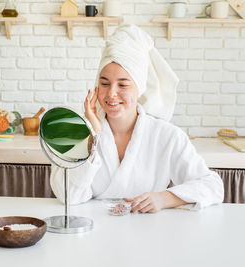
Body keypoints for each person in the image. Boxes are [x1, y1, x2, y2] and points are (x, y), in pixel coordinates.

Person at [50, 24, 224, 213]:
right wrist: (92, 137)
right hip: (93, 229)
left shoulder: (166, 135)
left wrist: (164, 198)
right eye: (104, 83)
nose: (112, 94)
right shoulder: (78, 134)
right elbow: (69, 197)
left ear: (139, 88)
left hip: (149, 232)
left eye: (123, 85)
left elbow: (213, 186)